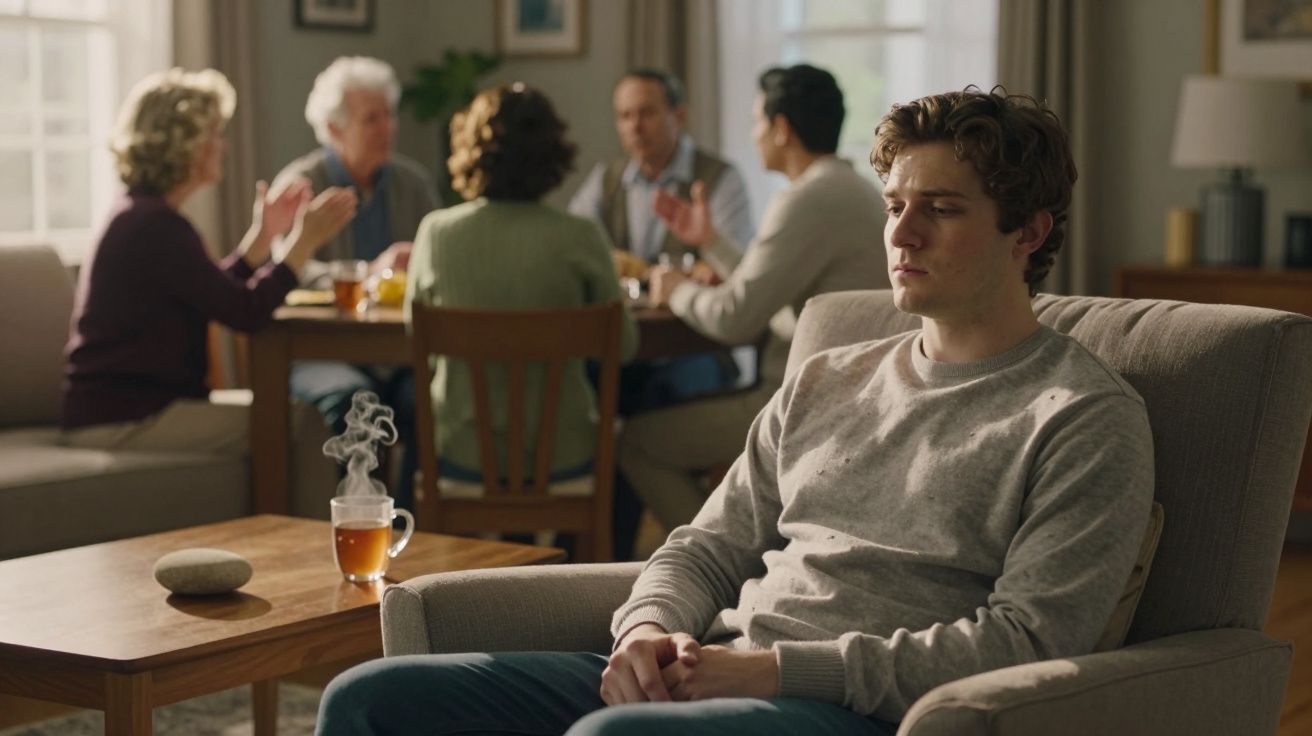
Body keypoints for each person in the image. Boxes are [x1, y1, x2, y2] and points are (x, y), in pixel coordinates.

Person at [315, 87, 1155, 734]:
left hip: (847, 711)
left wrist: (772, 673)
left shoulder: (1080, 417)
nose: (901, 236)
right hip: (710, 665)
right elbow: (706, 547)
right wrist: (645, 626)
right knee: (369, 702)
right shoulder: (828, 377)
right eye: (896, 205)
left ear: (1027, 232)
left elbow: (1027, 643)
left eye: (940, 210)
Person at [618, 64, 889, 541]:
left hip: (803, 404)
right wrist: (711, 242)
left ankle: (723, 556)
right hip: (854, 396)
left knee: (637, 442)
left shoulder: (808, 198)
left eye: (757, 121)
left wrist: (674, 289)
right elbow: (771, 289)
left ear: (781, 129)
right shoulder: (846, 189)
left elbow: (735, 318)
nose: (754, 132)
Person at [61, 68, 356, 452]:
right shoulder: (155, 225)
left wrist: (263, 236)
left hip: (122, 408)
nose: (223, 146)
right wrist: (301, 244)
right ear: (187, 144)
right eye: (216, 134)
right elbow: (246, 312)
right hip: (127, 415)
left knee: (296, 416)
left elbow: (213, 292)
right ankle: (291, 515)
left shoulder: (141, 215)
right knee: (302, 422)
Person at [405, 83, 638, 482]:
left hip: (465, 450)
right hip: (562, 454)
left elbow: (415, 337)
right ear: (552, 154)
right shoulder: (581, 236)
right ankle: (570, 543)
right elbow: (625, 346)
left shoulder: (437, 234)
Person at [273, 56, 439, 512]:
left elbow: (437, 264)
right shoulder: (302, 185)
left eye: (389, 115)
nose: (387, 127)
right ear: (334, 127)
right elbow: (287, 272)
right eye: (372, 118)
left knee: (432, 396)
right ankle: (358, 524)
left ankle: (408, 523)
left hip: (398, 351)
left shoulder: (413, 184)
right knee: (354, 399)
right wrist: (369, 272)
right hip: (321, 349)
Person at [570, 68, 753, 414]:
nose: (634, 127)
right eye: (624, 116)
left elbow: (734, 267)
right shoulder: (606, 179)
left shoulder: (719, 179)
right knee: (582, 383)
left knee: (660, 395)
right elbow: (573, 245)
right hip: (626, 343)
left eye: (646, 113)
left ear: (679, 116)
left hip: (696, 344)